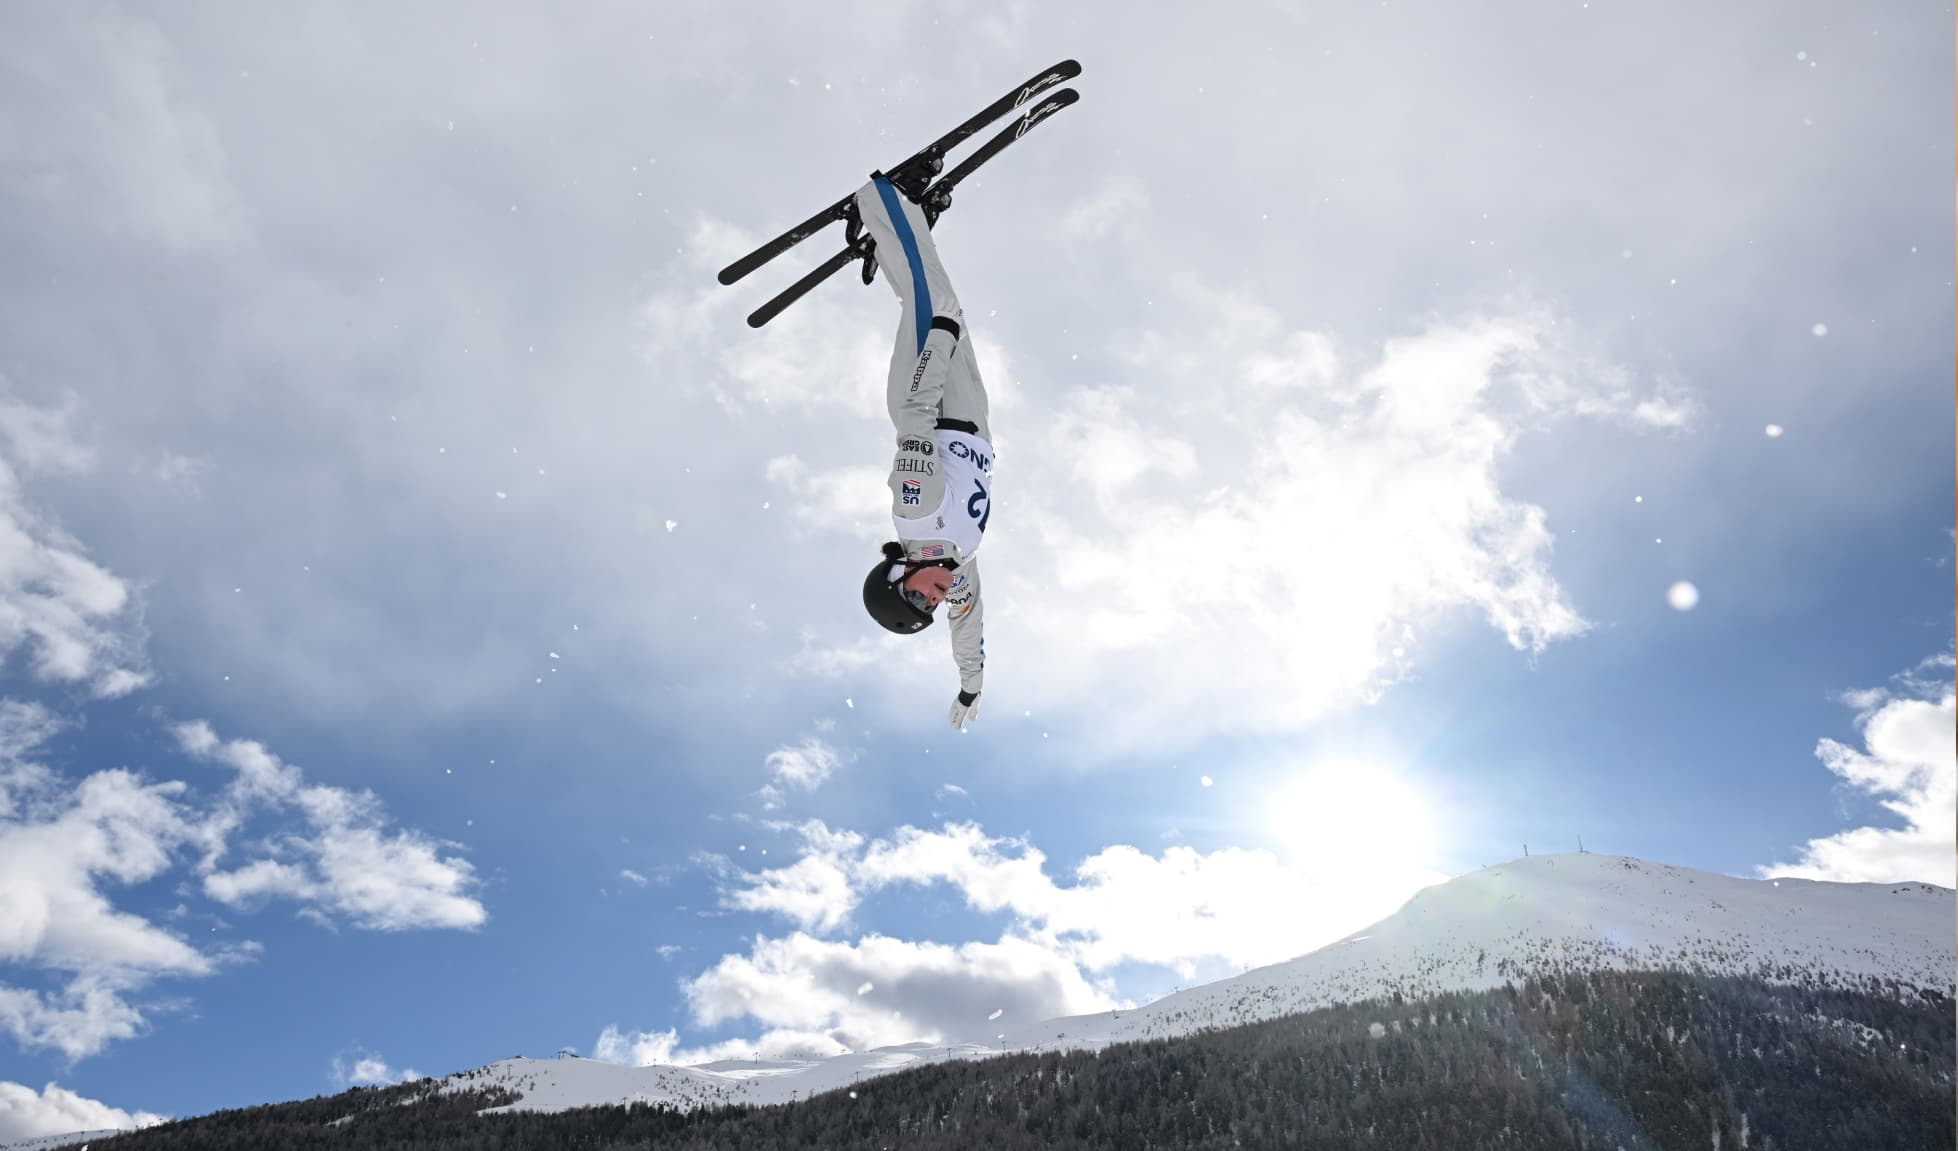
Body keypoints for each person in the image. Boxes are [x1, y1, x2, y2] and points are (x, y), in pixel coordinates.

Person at [850, 173, 991, 731]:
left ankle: (881, 201)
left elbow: (913, 416)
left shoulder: (917, 510)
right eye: (929, 607)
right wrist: (969, 684)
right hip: (972, 413)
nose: (935, 600)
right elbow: (969, 622)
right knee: (930, 291)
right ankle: (898, 234)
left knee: (935, 301)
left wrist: (939, 342)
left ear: (897, 575)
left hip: (931, 394)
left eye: (919, 598)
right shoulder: (954, 564)